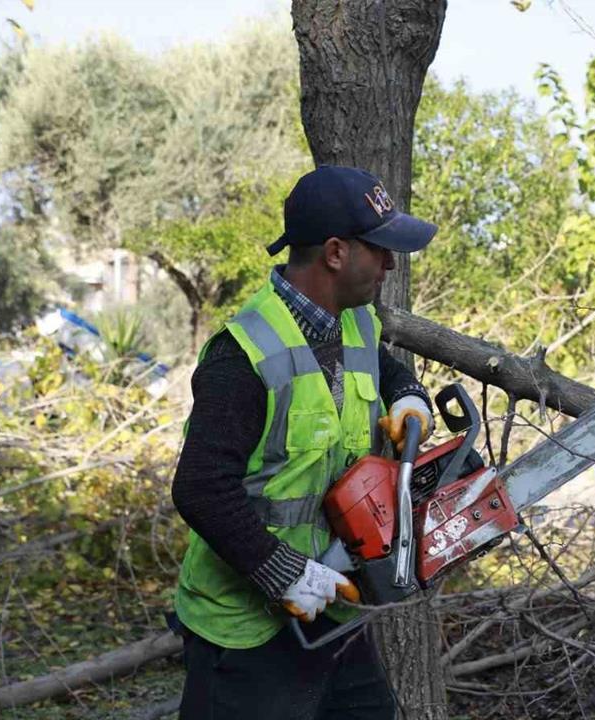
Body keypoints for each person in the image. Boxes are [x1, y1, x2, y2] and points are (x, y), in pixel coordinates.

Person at [170, 165, 437, 719]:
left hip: (332, 612)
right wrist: (283, 570)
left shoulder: (354, 322)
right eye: (380, 249)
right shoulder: (242, 354)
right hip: (244, 629)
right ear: (336, 253)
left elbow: (384, 369)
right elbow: (199, 488)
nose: (390, 263)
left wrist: (409, 396)